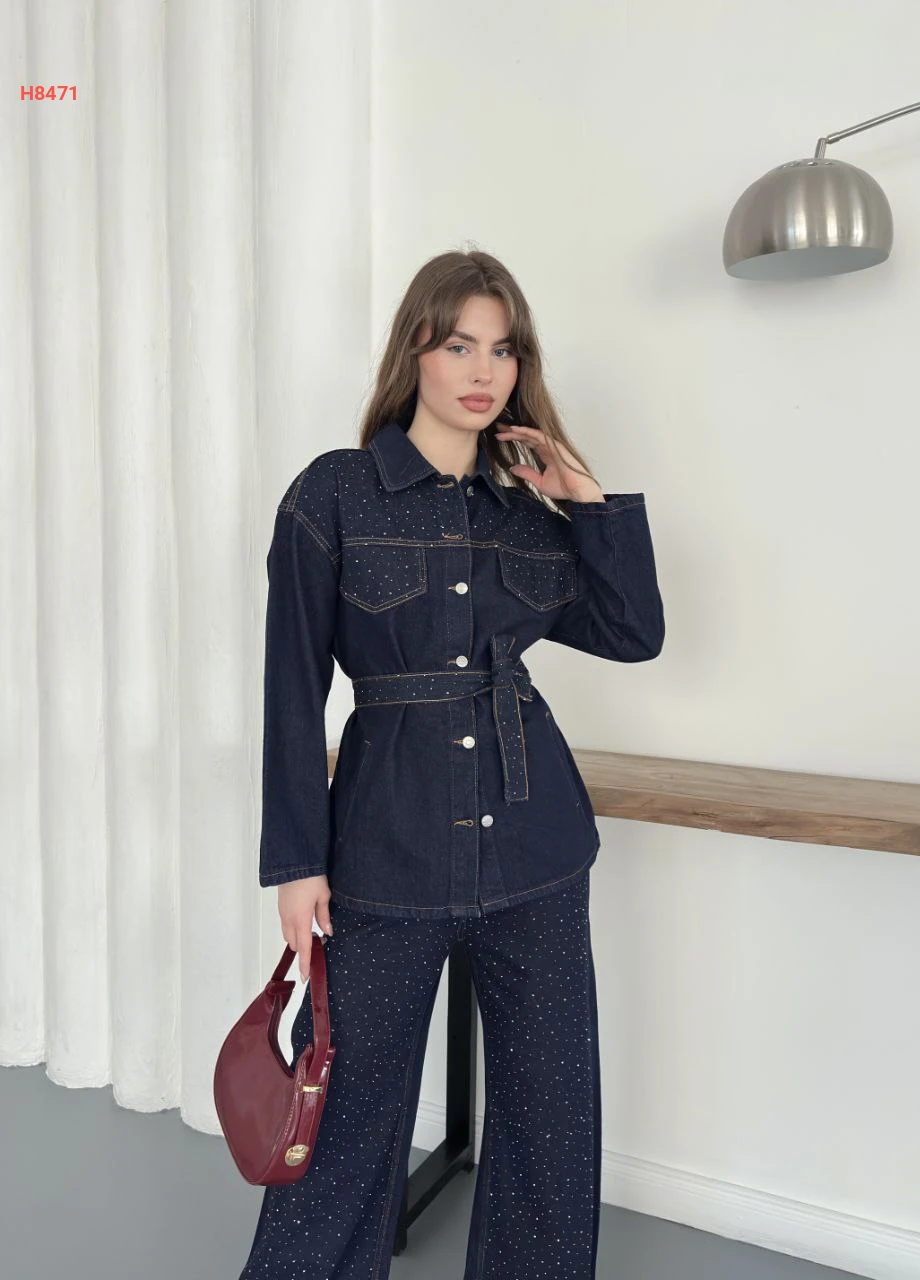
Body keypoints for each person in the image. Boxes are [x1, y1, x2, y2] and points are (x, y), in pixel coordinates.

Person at [239, 249, 665, 1279]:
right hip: (387, 851)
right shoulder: (334, 494)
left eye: (503, 350)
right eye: (460, 344)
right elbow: (291, 689)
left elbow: (632, 631)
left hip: (537, 848)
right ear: (416, 352)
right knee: (344, 1108)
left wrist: (585, 497)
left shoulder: (524, 515)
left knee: (551, 1116)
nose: (483, 371)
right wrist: (297, 862)